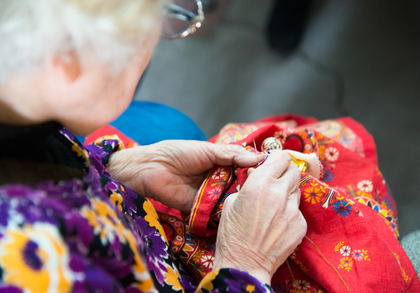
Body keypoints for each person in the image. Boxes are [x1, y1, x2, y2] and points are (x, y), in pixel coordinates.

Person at [0, 0, 307, 292]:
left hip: (119, 218)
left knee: (173, 125)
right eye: (153, 28)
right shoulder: (32, 265)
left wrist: (111, 169)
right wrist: (245, 267)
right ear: (69, 64)